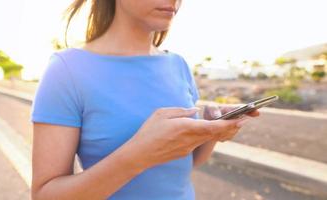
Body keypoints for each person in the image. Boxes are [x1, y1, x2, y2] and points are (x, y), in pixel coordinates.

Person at [30, 0, 260, 199]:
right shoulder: (66, 70)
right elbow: (45, 195)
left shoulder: (177, 65)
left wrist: (211, 133)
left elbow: (179, 166)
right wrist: (139, 155)